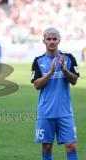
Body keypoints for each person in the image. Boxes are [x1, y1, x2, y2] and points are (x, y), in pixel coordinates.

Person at [31, 27, 79, 160]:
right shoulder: (38, 61)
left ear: (59, 40)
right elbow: (37, 85)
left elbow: (74, 80)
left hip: (65, 112)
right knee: (46, 147)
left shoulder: (68, 58)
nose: (52, 41)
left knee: (71, 146)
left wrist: (64, 70)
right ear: (44, 41)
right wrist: (50, 72)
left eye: (54, 39)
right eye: (49, 39)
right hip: (46, 112)